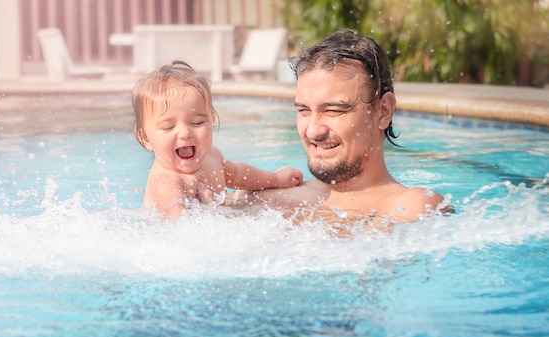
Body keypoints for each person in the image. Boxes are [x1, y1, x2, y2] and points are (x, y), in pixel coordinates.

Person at [237, 29, 448, 224]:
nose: (313, 131)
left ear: (383, 111)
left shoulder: (414, 206)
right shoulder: (265, 196)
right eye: (304, 111)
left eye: (334, 110)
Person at [132, 60, 303, 219]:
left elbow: (238, 173)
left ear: (211, 120)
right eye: (169, 127)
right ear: (145, 137)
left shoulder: (211, 157)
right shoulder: (168, 182)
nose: (185, 133)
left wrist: (275, 179)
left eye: (197, 122)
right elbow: (179, 233)